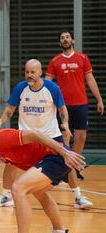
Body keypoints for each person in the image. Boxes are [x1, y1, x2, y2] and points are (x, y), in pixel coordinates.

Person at [0, 59, 93, 209]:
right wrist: (1, 120)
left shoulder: (52, 88)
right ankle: (6, 196)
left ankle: (78, 197)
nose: (29, 75)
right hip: (27, 135)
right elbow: (10, 109)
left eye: (32, 72)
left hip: (50, 135)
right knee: (11, 162)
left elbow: (63, 110)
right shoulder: (20, 88)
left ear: (40, 73)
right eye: (27, 72)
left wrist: (66, 124)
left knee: (67, 161)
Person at [46, 29, 104, 181]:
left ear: (72, 40)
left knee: (81, 137)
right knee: (64, 138)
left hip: (80, 104)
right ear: (60, 43)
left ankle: (73, 167)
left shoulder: (82, 58)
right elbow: (47, 83)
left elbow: (90, 79)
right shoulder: (55, 61)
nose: (65, 39)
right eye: (62, 38)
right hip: (62, 106)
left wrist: (99, 99)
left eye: (67, 37)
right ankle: (64, 170)